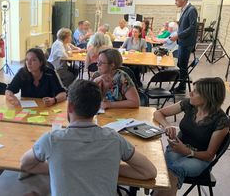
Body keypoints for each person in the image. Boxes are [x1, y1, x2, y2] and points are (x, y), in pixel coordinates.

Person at [20, 79, 157, 196]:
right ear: (98, 108)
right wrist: (108, 166)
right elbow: (149, 172)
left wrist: (62, 166)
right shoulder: (114, 139)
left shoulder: (52, 140)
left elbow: (25, 164)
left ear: (70, 107)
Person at [152, 77, 229, 196]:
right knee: (164, 170)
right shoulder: (189, 104)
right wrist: (167, 125)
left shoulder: (221, 121)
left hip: (200, 157)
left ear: (208, 96)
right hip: (178, 149)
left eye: (196, 92)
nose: (190, 93)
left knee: (171, 172)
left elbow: (209, 156)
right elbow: (158, 113)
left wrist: (187, 151)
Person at [171, 0, 198, 93]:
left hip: (186, 43)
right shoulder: (184, 9)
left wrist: (178, 35)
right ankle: (181, 83)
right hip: (182, 42)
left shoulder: (191, 10)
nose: (175, 2)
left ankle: (182, 87)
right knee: (180, 64)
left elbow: (192, 27)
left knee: (182, 65)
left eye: (177, 0)